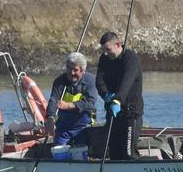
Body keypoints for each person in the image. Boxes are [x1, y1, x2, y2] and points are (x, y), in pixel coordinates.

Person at [96, 32, 143, 160]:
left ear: (117, 45)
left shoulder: (131, 59)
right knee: (114, 153)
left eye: (108, 49)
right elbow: (99, 81)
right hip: (113, 112)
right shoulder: (104, 59)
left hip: (130, 113)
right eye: (103, 50)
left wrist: (117, 100)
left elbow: (127, 82)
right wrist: (106, 95)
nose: (105, 53)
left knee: (128, 153)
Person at [44, 52, 97, 147]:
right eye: (69, 68)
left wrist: (69, 105)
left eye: (75, 70)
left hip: (83, 126)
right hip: (63, 126)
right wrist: (50, 117)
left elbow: (90, 103)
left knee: (83, 150)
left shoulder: (90, 81)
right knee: (58, 149)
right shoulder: (59, 81)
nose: (71, 73)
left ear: (83, 71)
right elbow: (53, 100)